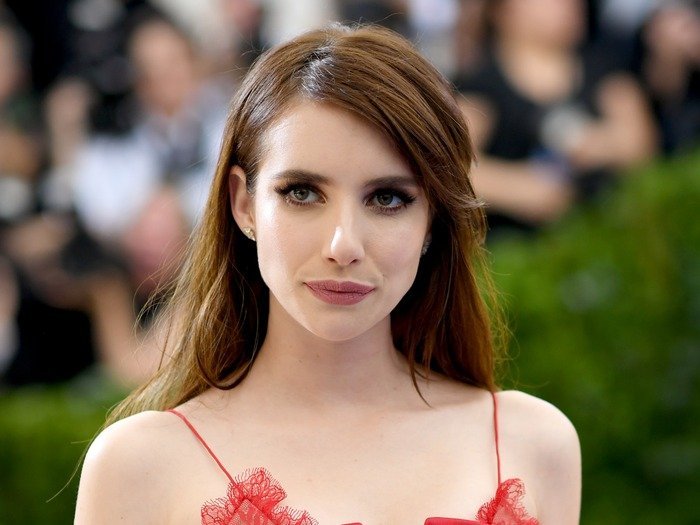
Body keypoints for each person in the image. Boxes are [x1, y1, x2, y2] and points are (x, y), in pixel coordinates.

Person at [75, 24, 581, 524]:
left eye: (388, 198)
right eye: (302, 193)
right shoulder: (139, 466)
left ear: (432, 220)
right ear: (243, 203)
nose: (343, 245)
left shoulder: (532, 443)